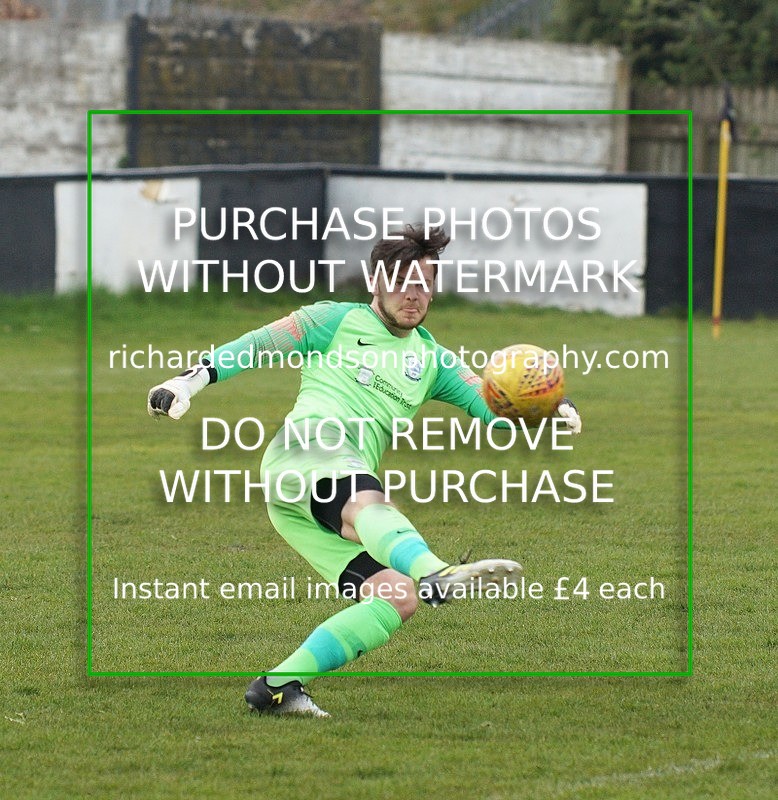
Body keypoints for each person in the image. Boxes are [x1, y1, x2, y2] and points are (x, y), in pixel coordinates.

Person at [147, 225, 582, 717]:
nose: (412, 294)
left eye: (423, 283)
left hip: (301, 506)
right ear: (375, 282)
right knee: (368, 504)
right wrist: (190, 380)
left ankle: (277, 687)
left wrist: (545, 406)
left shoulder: (433, 360)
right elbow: (256, 344)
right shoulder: (334, 320)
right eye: (400, 281)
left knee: (396, 597)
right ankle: (436, 572)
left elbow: (493, 407)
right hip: (309, 451)